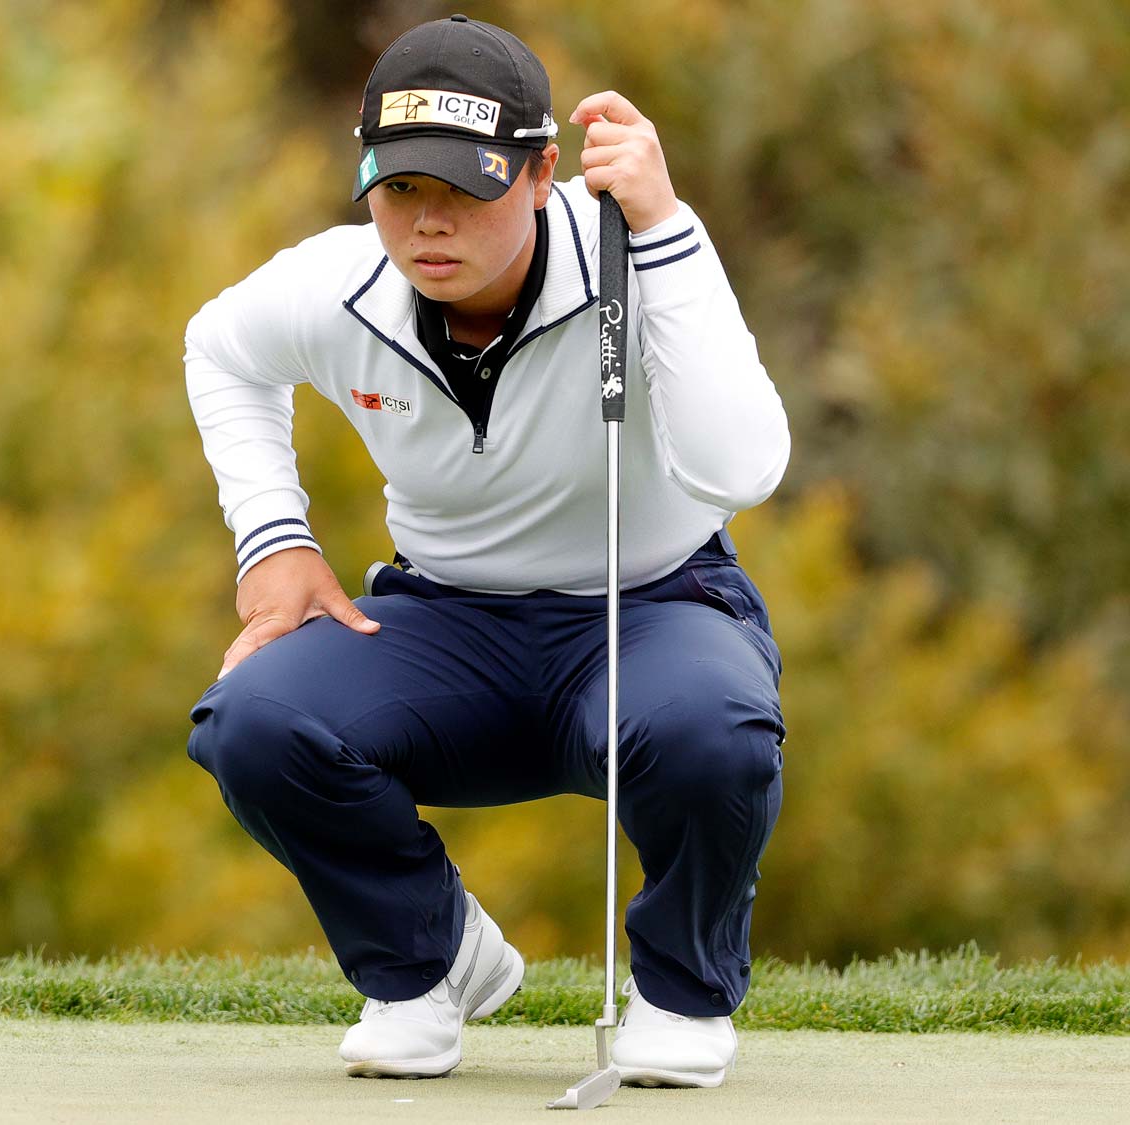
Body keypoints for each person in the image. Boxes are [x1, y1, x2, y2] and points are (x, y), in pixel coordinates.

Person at [181, 14, 788, 1088]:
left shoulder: (635, 261)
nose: (428, 223)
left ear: (543, 170)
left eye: (467, 187)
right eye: (401, 188)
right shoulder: (336, 285)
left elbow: (740, 468)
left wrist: (663, 223)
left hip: (647, 612)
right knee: (253, 719)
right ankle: (425, 966)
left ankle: (682, 997)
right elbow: (220, 351)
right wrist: (272, 538)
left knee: (712, 732)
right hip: (445, 623)